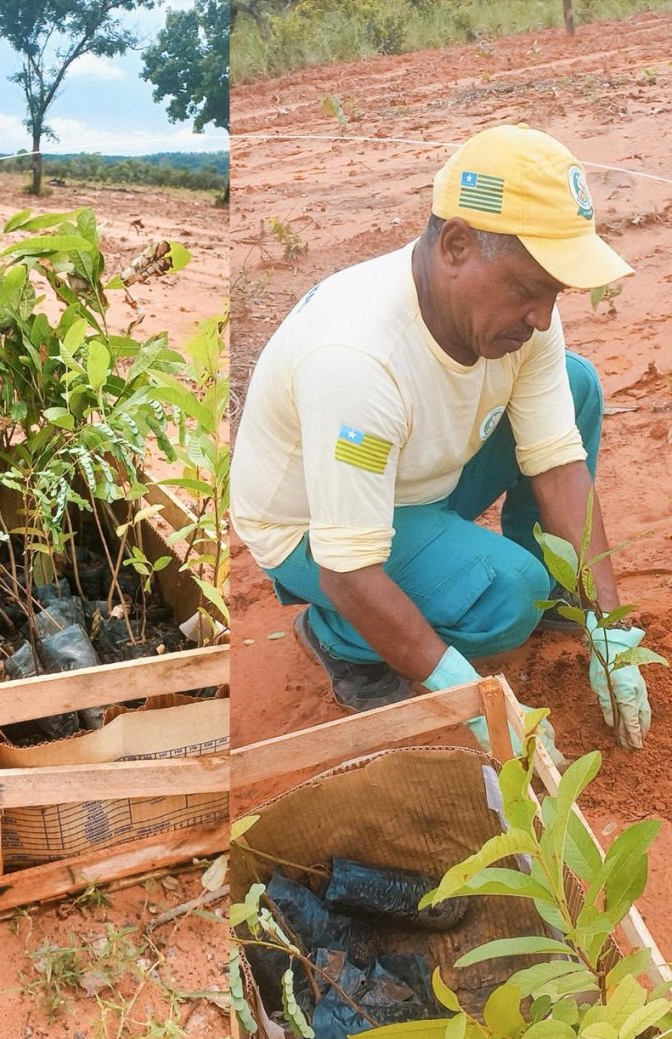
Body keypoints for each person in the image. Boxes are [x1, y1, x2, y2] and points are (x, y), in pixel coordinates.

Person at [232, 123, 653, 755]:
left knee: (576, 385)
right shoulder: (357, 359)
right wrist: (470, 697)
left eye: (554, 293)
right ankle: (341, 638)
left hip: (417, 474)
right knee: (509, 599)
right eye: (528, 290)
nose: (542, 316)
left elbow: (560, 462)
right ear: (456, 245)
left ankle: (550, 587)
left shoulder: (522, 315)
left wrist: (609, 627)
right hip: (316, 530)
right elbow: (349, 570)